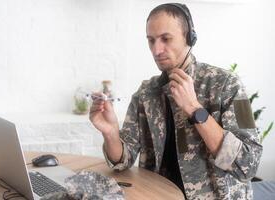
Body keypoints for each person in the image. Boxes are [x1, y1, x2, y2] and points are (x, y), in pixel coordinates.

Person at [89, 3, 262, 199]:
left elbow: (249, 163)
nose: (156, 50)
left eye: (166, 39)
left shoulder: (228, 84)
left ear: (190, 37)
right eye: (151, 40)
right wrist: (111, 133)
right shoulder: (145, 93)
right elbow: (122, 161)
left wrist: (194, 109)